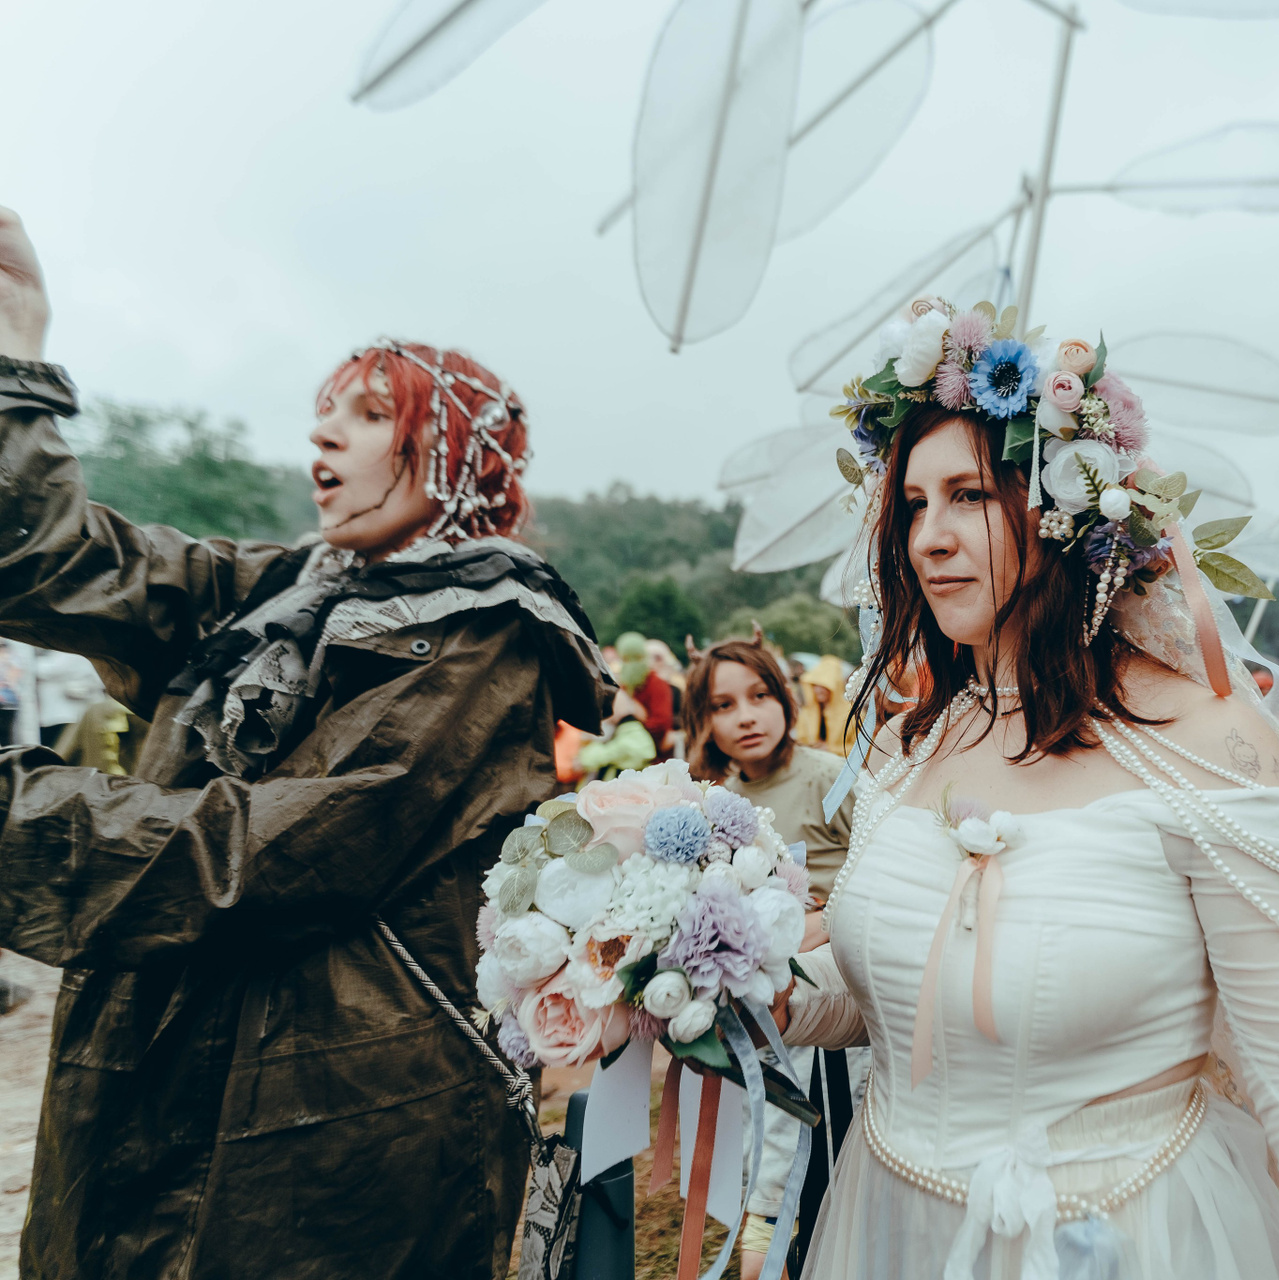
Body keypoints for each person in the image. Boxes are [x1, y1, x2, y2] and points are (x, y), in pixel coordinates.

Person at [774, 298, 1279, 1278]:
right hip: (892, 1230)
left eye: (969, 495)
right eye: (914, 504)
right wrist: (763, 991)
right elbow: (890, 986)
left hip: (1128, 1235)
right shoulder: (905, 742)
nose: (929, 536)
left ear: (1068, 510)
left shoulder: (1208, 744)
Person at [0, 206, 610, 1279]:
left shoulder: (489, 639)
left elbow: (255, 857)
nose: (323, 437)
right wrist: (17, 355)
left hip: (329, 1137)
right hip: (159, 1079)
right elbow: (62, 563)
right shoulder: (282, 589)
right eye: (322, 414)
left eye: (369, 414)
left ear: (455, 453)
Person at [683, 633, 861, 1280]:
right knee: (770, 1142)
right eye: (723, 705)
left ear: (786, 699)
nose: (746, 716)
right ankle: (767, 1234)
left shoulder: (830, 778)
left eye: (760, 696)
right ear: (703, 721)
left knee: (831, 1144)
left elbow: (883, 873)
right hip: (760, 1011)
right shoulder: (714, 801)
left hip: (835, 1010)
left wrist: (821, 921)